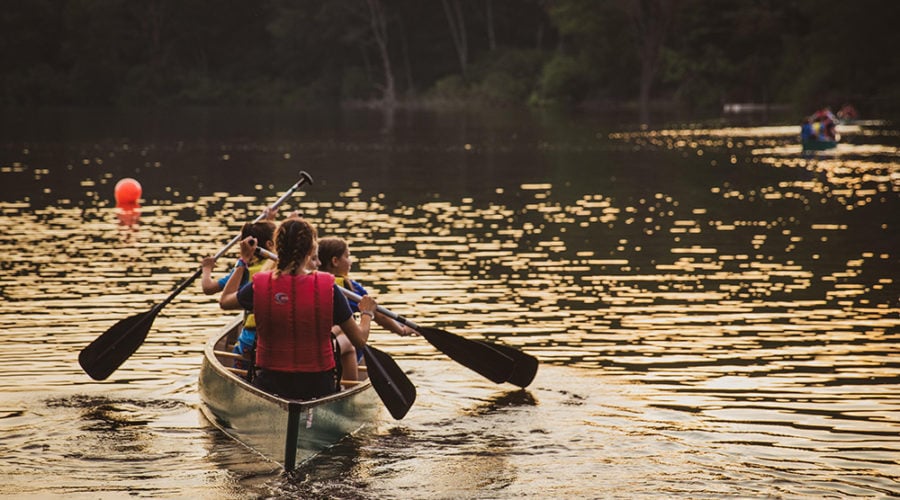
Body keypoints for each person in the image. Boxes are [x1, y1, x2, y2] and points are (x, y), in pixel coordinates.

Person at [219, 217, 377, 400]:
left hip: (271, 383)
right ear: (311, 251)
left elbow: (225, 301)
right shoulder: (328, 286)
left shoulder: (261, 284)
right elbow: (360, 340)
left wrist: (243, 261)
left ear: (277, 248)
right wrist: (367, 312)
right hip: (318, 386)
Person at [317, 236, 416, 380]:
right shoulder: (349, 288)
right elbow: (379, 315)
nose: (350, 261)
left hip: (320, 348)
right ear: (335, 261)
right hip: (339, 348)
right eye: (347, 256)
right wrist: (402, 330)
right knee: (356, 346)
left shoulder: (311, 283)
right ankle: (352, 386)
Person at [200, 220, 276, 369]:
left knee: (240, 353)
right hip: (273, 337)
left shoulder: (242, 270)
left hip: (250, 339)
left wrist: (206, 268)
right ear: (269, 244)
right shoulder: (277, 267)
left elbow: (208, 287)